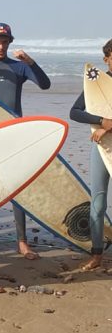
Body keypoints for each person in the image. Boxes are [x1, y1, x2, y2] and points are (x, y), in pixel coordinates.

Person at [0, 23, 51, 259]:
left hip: (15, 135)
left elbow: (45, 84)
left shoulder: (19, 68)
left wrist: (30, 62)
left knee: (17, 189)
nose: (1, 46)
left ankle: (22, 242)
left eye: (5, 42)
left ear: (9, 43)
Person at [69, 38, 112, 270]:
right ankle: (96, 254)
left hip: (105, 139)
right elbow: (75, 112)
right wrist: (100, 121)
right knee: (98, 202)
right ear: (106, 59)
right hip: (101, 149)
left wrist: (107, 127)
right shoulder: (96, 85)